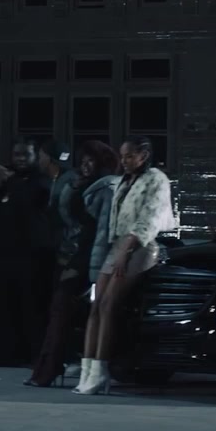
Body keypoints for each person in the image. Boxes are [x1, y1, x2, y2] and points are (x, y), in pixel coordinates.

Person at [75, 136, 175, 395]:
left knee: (109, 305)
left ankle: (100, 370)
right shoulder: (125, 180)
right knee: (96, 306)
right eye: (122, 156)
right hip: (117, 245)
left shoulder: (156, 179)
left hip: (140, 246)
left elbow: (149, 218)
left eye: (130, 156)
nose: (124, 161)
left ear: (144, 155)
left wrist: (127, 250)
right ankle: (88, 369)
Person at [25, 140, 118, 387]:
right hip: (66, 254)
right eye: (83, 160)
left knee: (62, 311)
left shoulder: (105, 188)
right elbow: (63, 220)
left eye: (91, 161)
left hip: (85, 258)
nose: (86, 165)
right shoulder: (76, 183)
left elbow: (100, 233)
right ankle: (49, 366)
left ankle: (50, 368)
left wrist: (85, 267)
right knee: (58, 312)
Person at [0, 136, 53, 366]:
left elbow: (31, 200)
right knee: (5, 305)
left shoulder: (41, 179)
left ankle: (35, 354)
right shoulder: (3, 176)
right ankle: (7, 353)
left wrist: (12, 182)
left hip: (32, 254)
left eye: (25, 155)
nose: (20, 159)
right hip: (5, 252)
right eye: (17, 154)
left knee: (32, 305)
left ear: (35, 156)